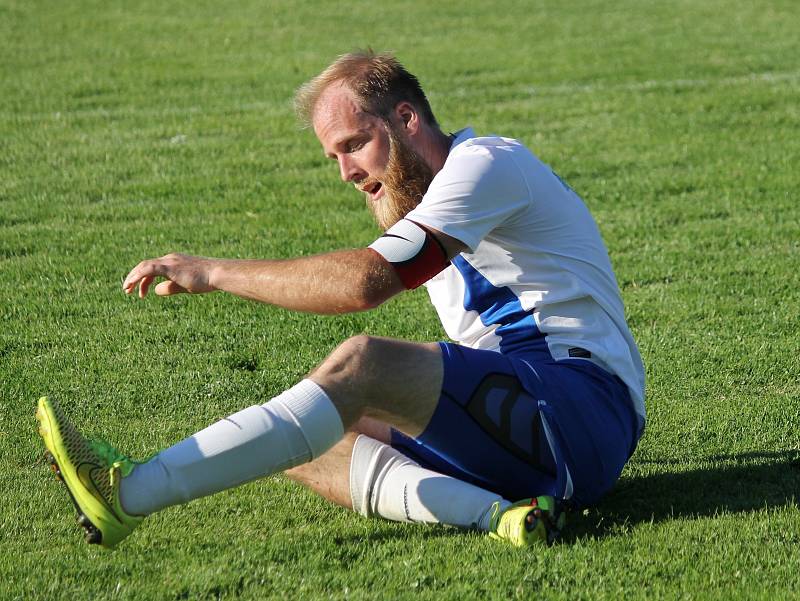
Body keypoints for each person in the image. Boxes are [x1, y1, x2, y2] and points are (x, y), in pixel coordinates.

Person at [36, 50, 645, 550]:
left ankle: (127, 494)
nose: (346, 173)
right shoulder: (426, 200)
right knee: (301, 439)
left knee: (362, 366)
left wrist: (212, 271)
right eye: (334, 157)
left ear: (407, 120)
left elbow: (365, 284)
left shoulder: (484, 165)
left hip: (579, 409)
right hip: (537, 431)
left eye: (354, 144)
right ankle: (501, 517)